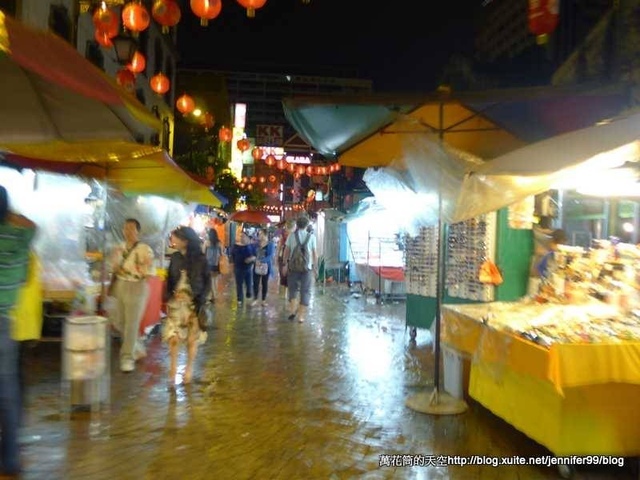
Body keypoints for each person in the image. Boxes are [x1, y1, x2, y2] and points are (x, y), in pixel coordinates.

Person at [0, 185, 36, 477]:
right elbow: (32, 225)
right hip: (4, 325)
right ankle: (10, 460)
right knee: (8, 394)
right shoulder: (19, 238)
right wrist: (10, 215)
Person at [164, 226, 209, 385]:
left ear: (185, 241)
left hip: (193, 305)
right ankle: (173, 369)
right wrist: (169, 295)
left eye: (175, 237)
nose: (173, 240)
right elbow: (169, 279)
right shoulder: (175, 258)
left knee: (191, 339)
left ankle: (189, 369)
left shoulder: (201, 259)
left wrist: (201, 300)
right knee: (173, 338)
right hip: (176, 305)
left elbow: (206, 282)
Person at [109, 218, 155, 373]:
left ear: (138, 231)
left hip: (137, 286)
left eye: (131, 228)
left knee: (131, 324)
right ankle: (137, 347)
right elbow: (114, 267)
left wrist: (139, 274)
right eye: (125, 228)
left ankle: (127, 358)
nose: (128, 231)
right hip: (120, 285)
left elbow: (148, 272)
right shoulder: (119, 247)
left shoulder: (144, 249)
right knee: (119, 321)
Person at [282, 215, 317, 323]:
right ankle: (301, 317)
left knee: (292, 289)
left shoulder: (291, 236)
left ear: (297, 225)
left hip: (293, 267)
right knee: (305, 291)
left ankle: (293, 310)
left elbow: (286, 252)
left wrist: (284, 264)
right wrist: (315, 268)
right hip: (307, 268)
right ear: (307, 225)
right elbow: (315, 254)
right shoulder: (311, 237)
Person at [230, 230, 256, 305]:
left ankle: (248, 293)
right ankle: (240, 299)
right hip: (238, 268)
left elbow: (255, 256)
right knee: (239, 284)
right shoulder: (235, 246)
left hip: (248, 268)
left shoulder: (251, 246)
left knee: (248, 283)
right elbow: (232, 257)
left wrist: (251, 259)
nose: (242, 238)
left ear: (248, 238)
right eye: (241, 236)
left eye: (243, 236)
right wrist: (233, 266)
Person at [251, 228, 275, 306]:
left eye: (261, 234)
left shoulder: (270, 244)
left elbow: (270, 256)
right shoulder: (256, 244)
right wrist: (254, 260)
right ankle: (255, 299)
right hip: (256, 266)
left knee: (264, 283)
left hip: (266, 267)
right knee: (255, 283)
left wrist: (261, 261)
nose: (259, 235)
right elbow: (253, 254)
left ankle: (263, 300)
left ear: (265, 235)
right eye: (259, 234)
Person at [204, 228, 223, 303]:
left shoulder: (206, 242)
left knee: (211, 281)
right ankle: (213, 295)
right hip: (216, 264)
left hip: (208, 264)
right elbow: (222, 253)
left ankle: (213, 296)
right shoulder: (219, 243)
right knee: (215, 281)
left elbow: (203, 252)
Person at [277, 220, 295, 297]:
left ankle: (283, 295)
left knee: (283, 275)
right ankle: (291, 296)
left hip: (283, 254)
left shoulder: (283, 233)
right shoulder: (295, 234)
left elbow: (279, 245)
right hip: (292, 254)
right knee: (291, 275)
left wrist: (276, 256)